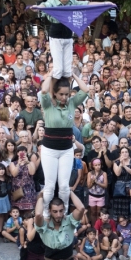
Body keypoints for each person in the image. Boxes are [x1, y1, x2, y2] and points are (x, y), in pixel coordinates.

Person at [39, 73, 87, 214]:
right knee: (49, 187)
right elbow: (43, 91)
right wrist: (50, 76)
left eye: (67, 94)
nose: (64, 97)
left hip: (66, 149)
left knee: (65, 187)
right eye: (61, 94)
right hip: (49, 150)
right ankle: (46, 215)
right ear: (55, 93)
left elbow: (85, 90)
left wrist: (73, 75)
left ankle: (64, 215)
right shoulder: (48, 104)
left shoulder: (72, 103)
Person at [34, 191, 85, 260]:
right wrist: (40, 197)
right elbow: (38, 214)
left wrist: (68, 191)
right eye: (55, 211)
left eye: (61, 211)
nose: (58, 214)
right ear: (49, 211)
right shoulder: (44, 224)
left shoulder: (70, 220)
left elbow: (81, 208)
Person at [41, 0, 89, 80]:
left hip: (68, 38)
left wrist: (105, 3)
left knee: (67, 71)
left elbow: (87, 4)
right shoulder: (52, 2)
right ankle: (53, 94)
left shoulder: (73, 2)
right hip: (56, 38)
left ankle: (66, 93)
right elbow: (44, 5)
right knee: (58, 70)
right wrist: (37, 8)